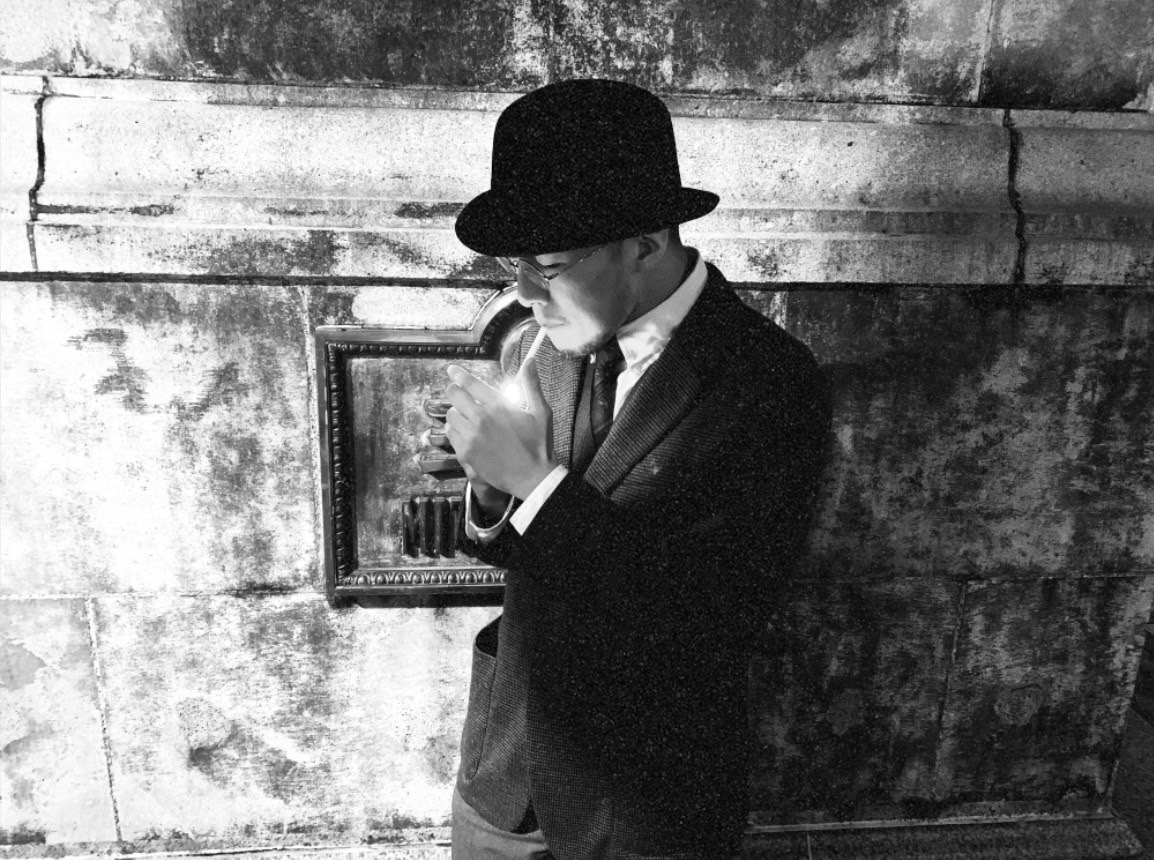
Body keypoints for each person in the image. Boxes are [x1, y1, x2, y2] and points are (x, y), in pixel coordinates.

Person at [438, 79, 830, 860]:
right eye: (513, 265)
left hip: (645, 804)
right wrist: (488, 489)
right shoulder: (545, 345)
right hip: (505, 779)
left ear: (645, 244)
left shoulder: (772, 381)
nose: (523, 294)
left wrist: (534, 486)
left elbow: (713, 617)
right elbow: (523, 553)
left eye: (547, 266)